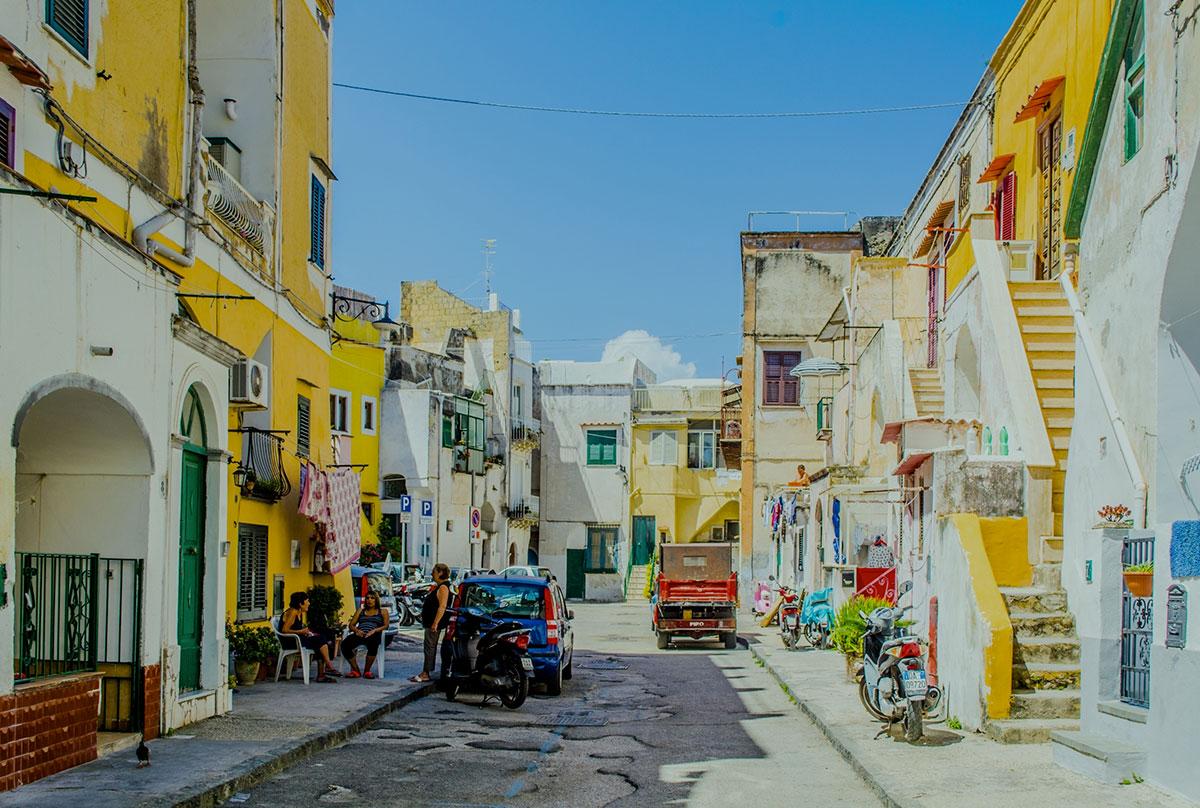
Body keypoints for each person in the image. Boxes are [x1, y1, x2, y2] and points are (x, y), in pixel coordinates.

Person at [280, 591, 341, 683]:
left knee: (322, 638)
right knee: (320, 640)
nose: (309, 603)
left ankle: (323, 673)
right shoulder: (293, 612)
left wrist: (306, 632)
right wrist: (301, 631)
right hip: (291, 642)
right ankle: (328, 667)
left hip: (298, 639)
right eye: (307, 601)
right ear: (300, 603)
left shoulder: (299, 612)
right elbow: (284, 630)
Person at [411, 563, 451, 683]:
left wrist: (435, 623)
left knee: (430, 647)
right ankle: (426, 671)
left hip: (433, 623)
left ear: (440, 573)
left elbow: (442, 606)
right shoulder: (441, 586)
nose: (432, 573)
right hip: (431, 622)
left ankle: (426, 673)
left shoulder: (443, 588)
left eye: (434, 571)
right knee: (429, 647)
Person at [341, 590, 389, 679]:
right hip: (360, 634)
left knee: (373, 643)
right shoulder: (360, 611)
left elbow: (386, 626)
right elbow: (351, 625)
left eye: (372, 598)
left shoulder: (383, 611)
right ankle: (356, 670)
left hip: (373, 634)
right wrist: (357, 631)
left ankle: (367, 671)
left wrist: (374, 631)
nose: (369, 600)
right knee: (345, 644)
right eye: (367, 598)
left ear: (376, 600)